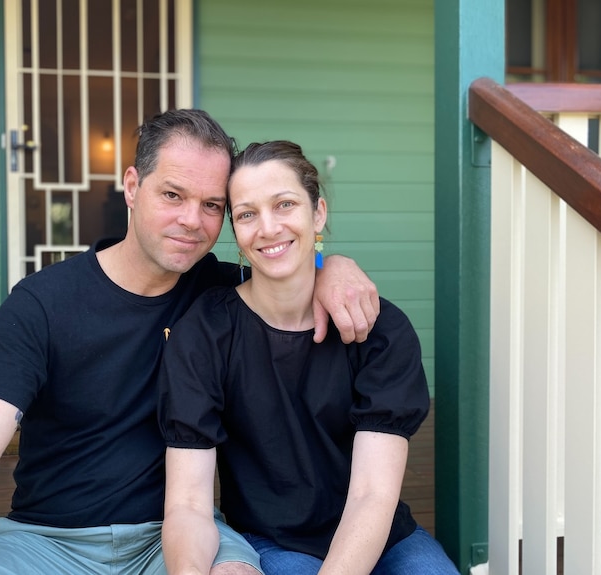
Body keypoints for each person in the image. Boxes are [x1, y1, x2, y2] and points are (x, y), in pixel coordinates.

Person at [0, 112, 380, 575]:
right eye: (173, 195)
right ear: (132, 186)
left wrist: (330, 267)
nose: (192, 220)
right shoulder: (43, 303)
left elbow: (288, 264)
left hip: (180, 534)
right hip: (44, 543)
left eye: (212, 205)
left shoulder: (227, 295)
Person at [158, 140, 459, 575]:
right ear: (236, 233)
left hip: (384, 537)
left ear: (317, 213)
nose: (267, 228)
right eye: (246, 214)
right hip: (275, 542)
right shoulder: (207, 331)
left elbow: (372, 495)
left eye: (284, 204)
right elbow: (187, 503)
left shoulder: (379, 330)